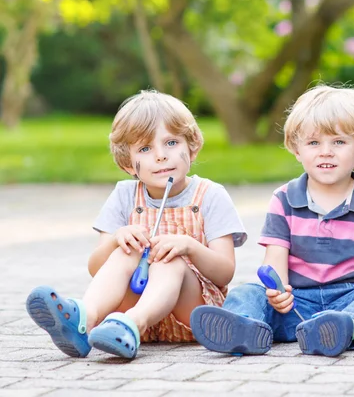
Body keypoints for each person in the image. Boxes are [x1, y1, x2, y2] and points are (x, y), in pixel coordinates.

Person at [190, 85, 354, 357]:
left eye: (338, 142)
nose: (326, 152)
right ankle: (245, 330)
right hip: (295, 305)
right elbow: (275, 260)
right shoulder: (284, 200)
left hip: (352, 302)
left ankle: (344, 330)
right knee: (249, 292)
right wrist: (277, 293)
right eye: (314, 143)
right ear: (297, 150)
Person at [25, 90, 246, 359]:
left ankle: (133, 324)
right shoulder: (124, 195)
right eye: (145, 149)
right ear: (128, 163)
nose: (161, 156)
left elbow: (224, 273)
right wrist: (118, 238)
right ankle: (84, 320)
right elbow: (97, 267)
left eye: (171, 143)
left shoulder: (211, 195)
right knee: (126, 250)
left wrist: (189, 247)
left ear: (192, 146)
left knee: (169, 259)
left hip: (191, 314)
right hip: (124, 314)